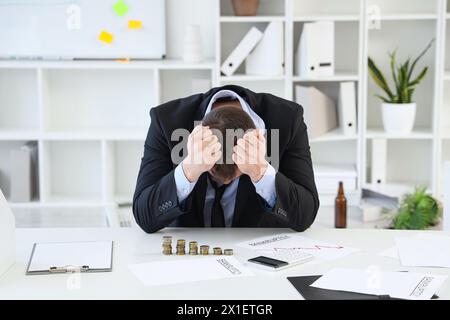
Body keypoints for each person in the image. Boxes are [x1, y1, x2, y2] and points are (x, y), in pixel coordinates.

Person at [133, 85, 319, 233]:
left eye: (238, 171)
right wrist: (188, 170)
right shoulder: (165, 120)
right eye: (212, 169)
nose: (227, 181)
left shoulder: (288, 119)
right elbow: (145, 218)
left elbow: (304, 217)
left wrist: (261, 172)